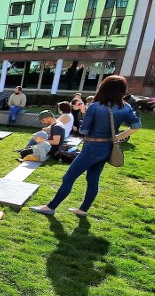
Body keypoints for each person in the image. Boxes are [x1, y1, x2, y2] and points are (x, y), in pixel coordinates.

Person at [30, 75, 142, 217]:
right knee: (93, 179)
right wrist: (116, 138)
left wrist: (85, 114)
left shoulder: (96, 106)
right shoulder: (125, 107)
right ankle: (83, 210)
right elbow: (136, 126)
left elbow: (83, 130)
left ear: (104, 88)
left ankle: (50, 207)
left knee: (68, 178)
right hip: (106, 148)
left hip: (91, 148)